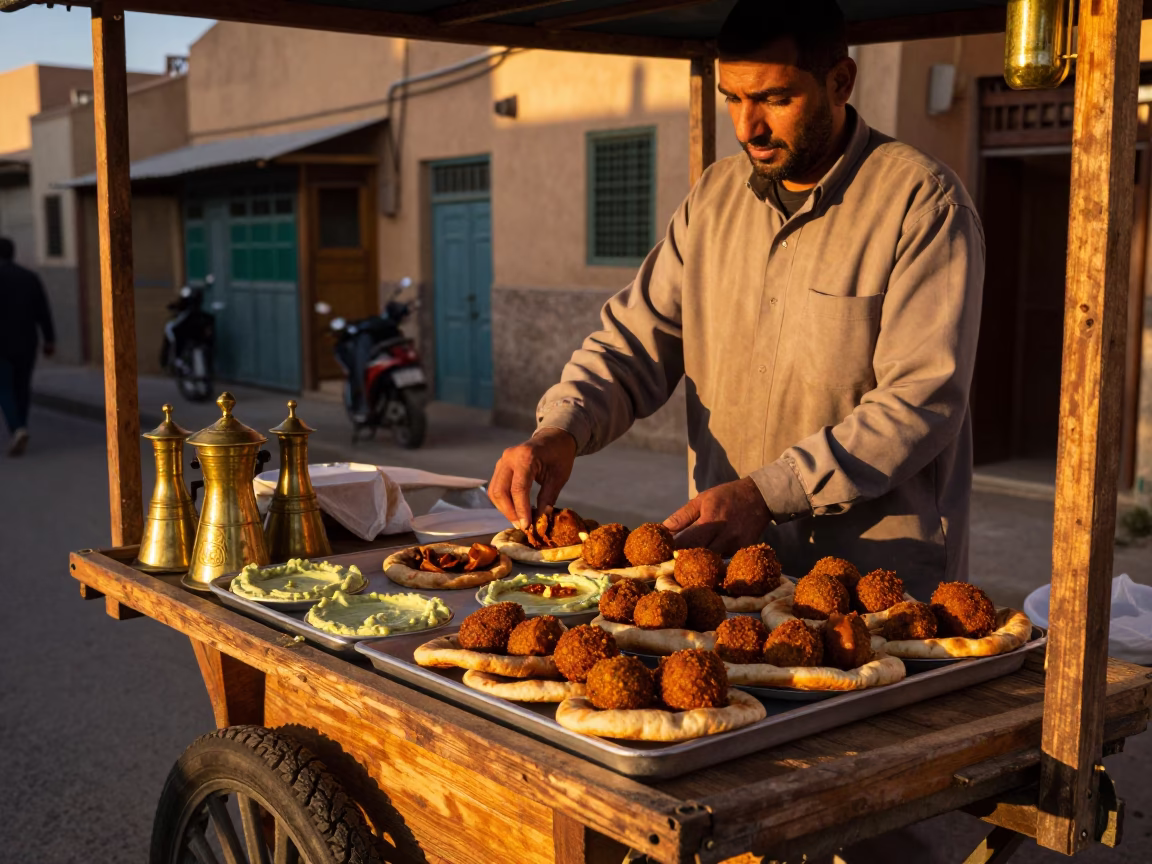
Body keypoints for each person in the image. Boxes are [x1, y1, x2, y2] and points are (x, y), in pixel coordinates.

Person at [488, 0, 984, 599]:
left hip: (874, 588)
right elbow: (633, 343)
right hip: (725, 577)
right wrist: (559, 431)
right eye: (732, 98)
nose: (748, 126)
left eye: (774, 99)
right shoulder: (714, 198)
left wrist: (767, 495)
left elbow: (920, 401)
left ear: (841, 82)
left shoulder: (922, 204)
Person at [0, 236, 55, 457]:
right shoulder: (30, 278)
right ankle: (21, 426)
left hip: (1, 345)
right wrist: (49, 339)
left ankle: (17, 428)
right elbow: (43, 311)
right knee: (22, 387)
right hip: (27, 342)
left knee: (4, 388)